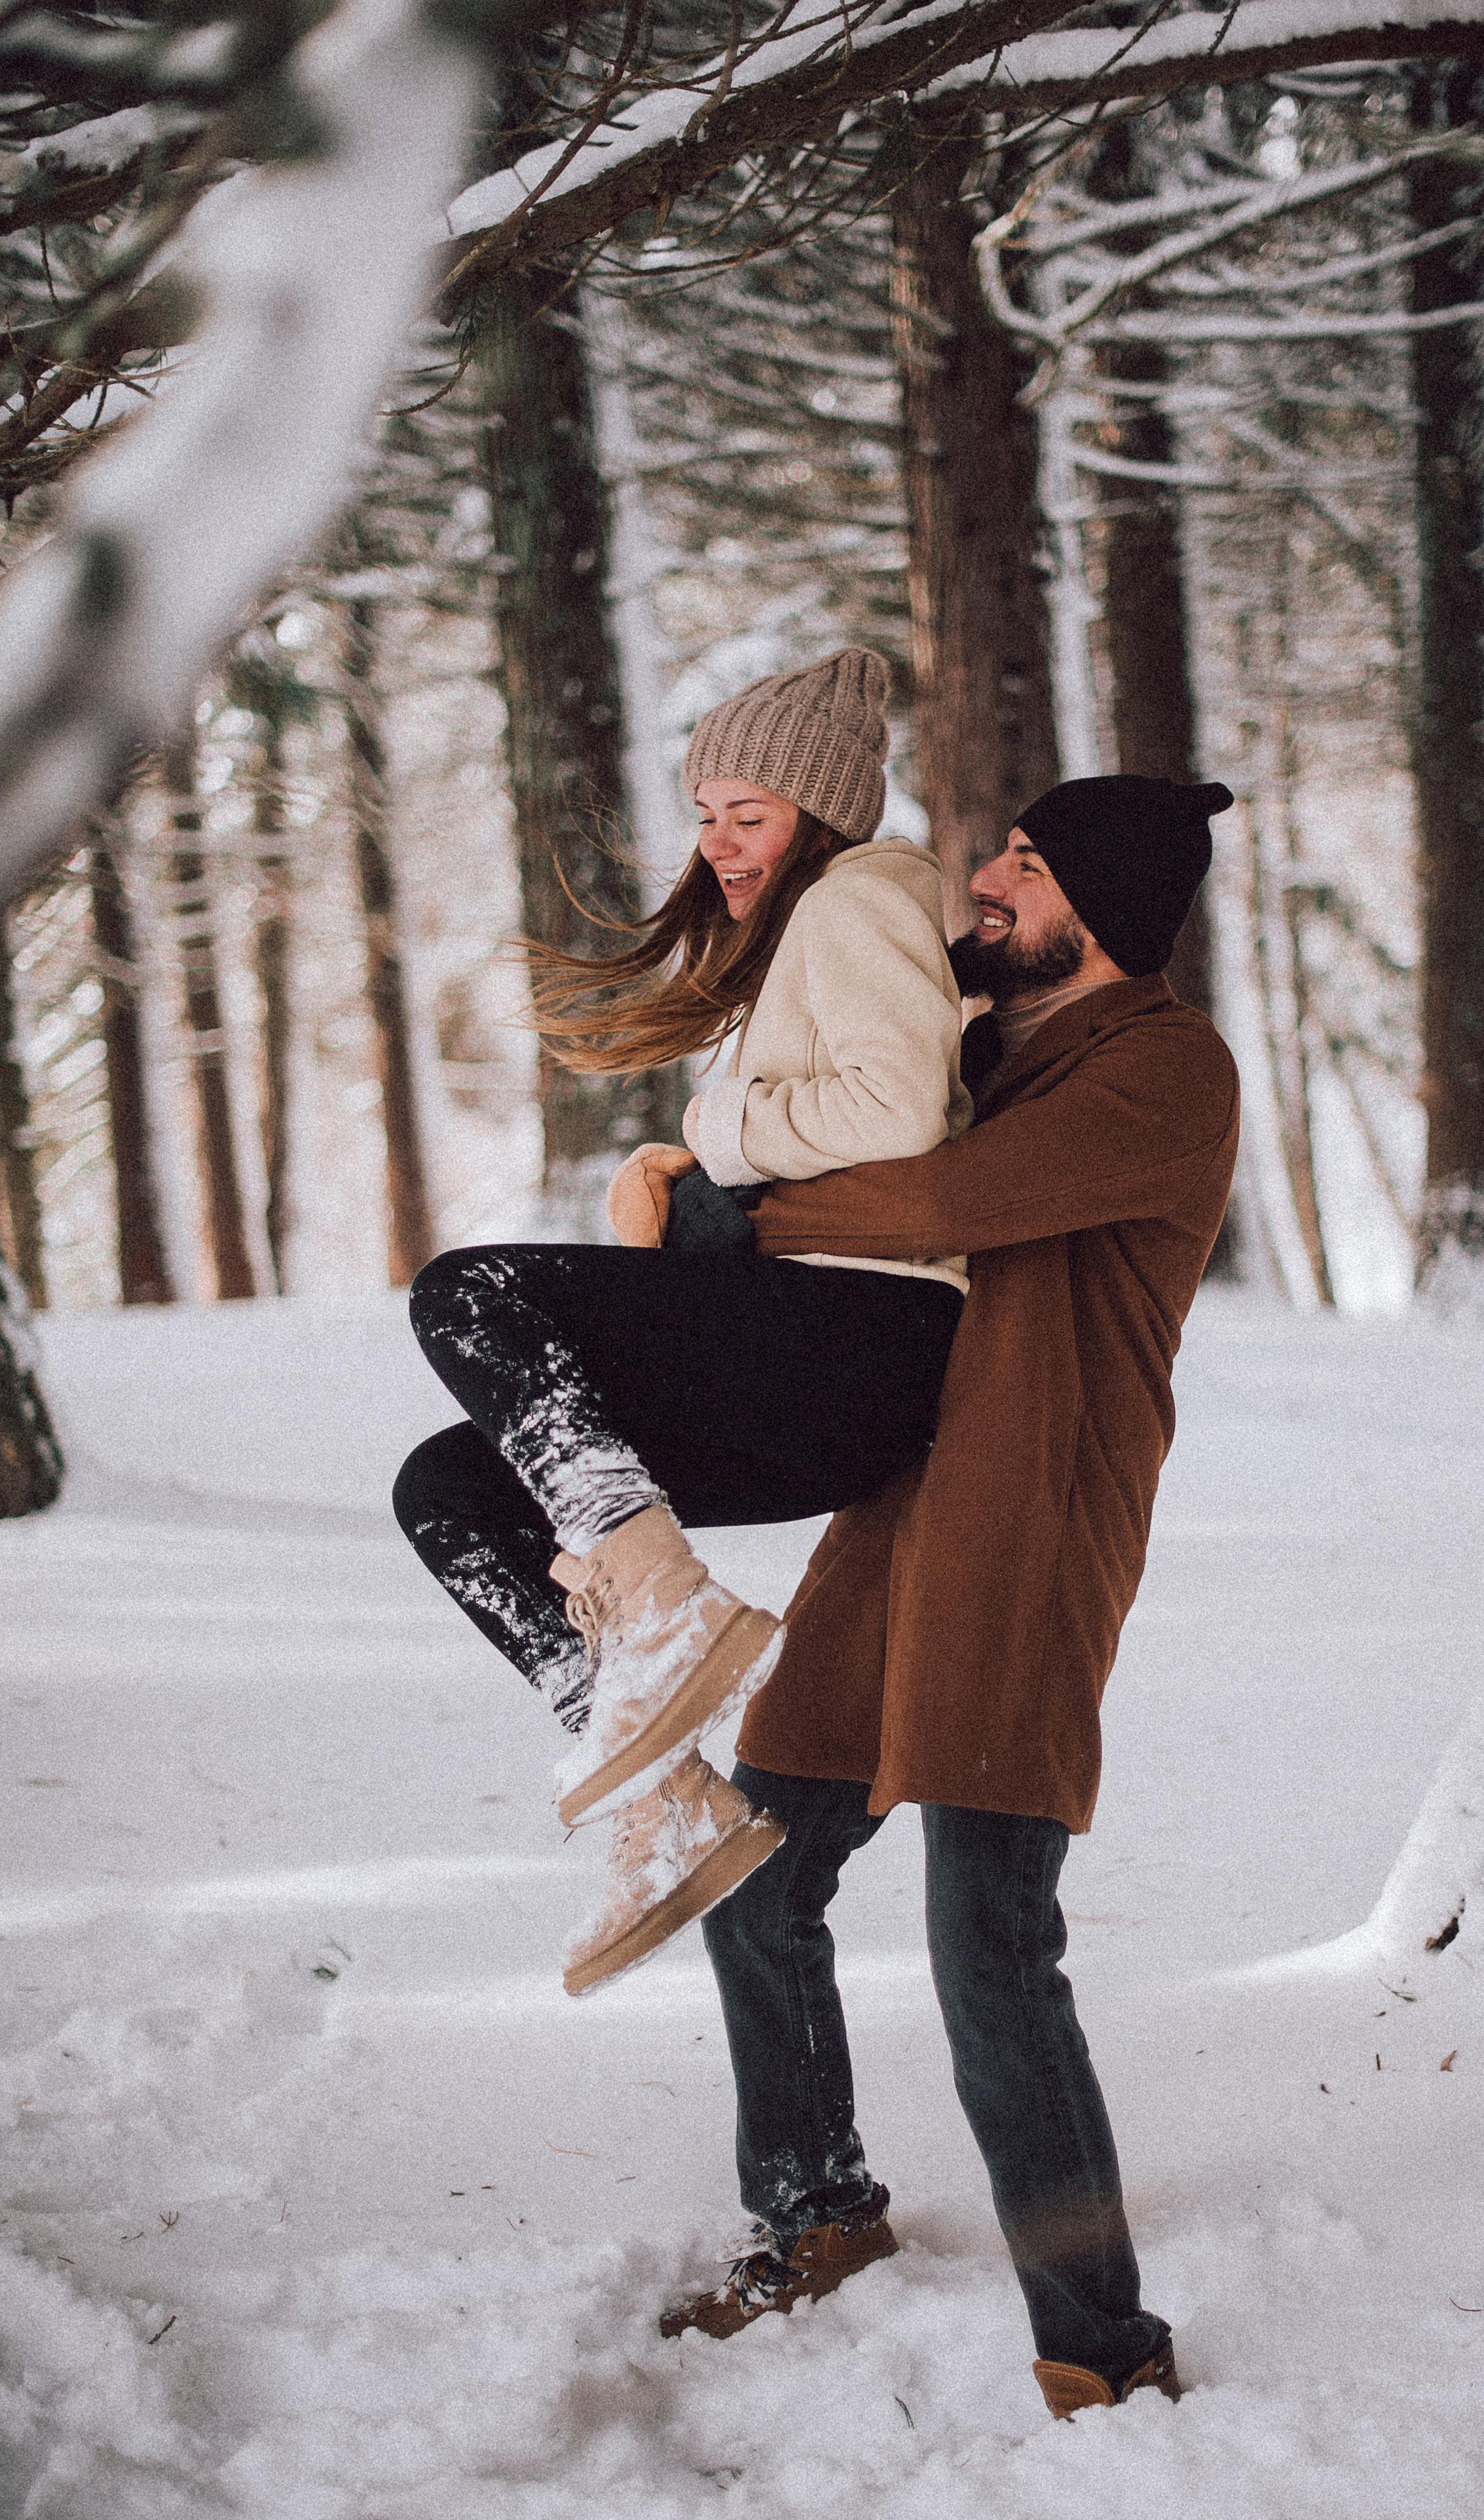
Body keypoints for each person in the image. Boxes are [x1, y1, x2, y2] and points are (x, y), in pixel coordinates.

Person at [658, 773, 1241, 2428]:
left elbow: (938, 1201)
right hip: (905, 1504)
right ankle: (818, 2212)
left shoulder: (1163, 1067)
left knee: (988, 1942)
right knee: (755, 1874)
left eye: (1027, 865)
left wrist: (730, 1208)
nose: (985, 879)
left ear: (1103, 907)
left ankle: (1101, 2345)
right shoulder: (984, 1050)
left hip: (1031, 1524)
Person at [392, 649, 973, 1993]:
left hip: (863, 1336)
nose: (716, 842)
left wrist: (715, 1132)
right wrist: (700, 1181)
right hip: (807, 1361)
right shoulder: (807, 926)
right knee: (447, 1489)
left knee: (469, 1292)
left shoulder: (859, 893)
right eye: (706, 813)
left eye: (747, 814)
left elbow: (895, 1108)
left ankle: (660, 1604)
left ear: (821, 813)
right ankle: (657, 1786)